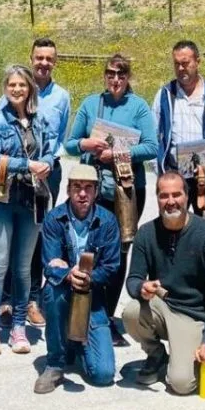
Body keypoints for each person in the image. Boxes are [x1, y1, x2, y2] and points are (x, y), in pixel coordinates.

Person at [64, 53, 157, 345]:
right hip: (93, 188)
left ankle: (106, 316)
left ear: (128, 77)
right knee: (90, 249)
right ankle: (85, 310)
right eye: (110, 74)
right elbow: (69, 144)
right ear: (104, 75)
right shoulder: (91, 104)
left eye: (121, 74)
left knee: (118, 252)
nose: (115, 79)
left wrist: (118, 153)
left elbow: (152, 147)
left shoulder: (138, 106)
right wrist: (86, 144)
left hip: (126, 191)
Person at [122, 172, 205, 395]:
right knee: (131, 312)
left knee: (181, 384)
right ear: (157, 198)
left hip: (193, 315)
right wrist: (141, 288)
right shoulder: (146, 233)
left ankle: (182, 356)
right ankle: (156, 355)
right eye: (164, 196)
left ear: (187, 196)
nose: (170, 201)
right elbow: (133, 279)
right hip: (162, 306)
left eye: (176, 194)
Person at [0, 65, 56, 354]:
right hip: (1, 200)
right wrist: (27, 165)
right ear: (5, 88)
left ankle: (18, 327)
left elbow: (50, 151)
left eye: (22, 85)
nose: (17, 89)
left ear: (30, 89)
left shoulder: (41, 120)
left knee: (24, 268)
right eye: (12, 85)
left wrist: (46, 162)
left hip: (31, 199)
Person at [0, 38, 71, 329]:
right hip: (16, 174)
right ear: (31, 58)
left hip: (47, 173)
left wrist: (48, 162)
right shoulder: (14, 89)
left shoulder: (62, 97)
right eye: (39, 57)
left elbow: (60, 137)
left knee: (39, 235)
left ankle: (32, 300)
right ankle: (5, 301)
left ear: (55, 62)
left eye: (49, 59)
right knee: (12, 233)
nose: (43, 63)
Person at [33, 164, 121, 393]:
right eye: (77, 187)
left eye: (88, 188)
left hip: (93, 297)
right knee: (52, 290)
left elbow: (111, 267)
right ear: (68, 190)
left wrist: (88, 277)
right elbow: (50, 266)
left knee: (103, 374)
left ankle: (77, 343)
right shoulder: (54, 219)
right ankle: (55, 363)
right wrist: (68, 274)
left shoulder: (108, 221)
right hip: (63, 290)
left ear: (96, 191)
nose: (82, 194)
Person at [151, 40, 205, 212]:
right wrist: (161, 172)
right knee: (174, 224)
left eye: (185, 63)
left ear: (197, 62)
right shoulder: (164, 95)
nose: (181, 68)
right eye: (176, 64)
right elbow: (152, 135)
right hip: (176, 177)